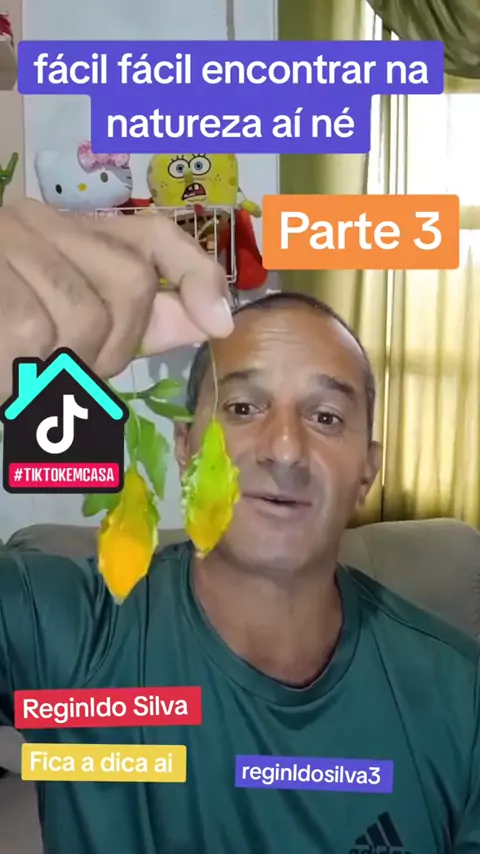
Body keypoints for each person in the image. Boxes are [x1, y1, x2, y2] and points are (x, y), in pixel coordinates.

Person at [0, 199, 478, 854]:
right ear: (186, 448)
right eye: (244, 407)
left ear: (367, 471)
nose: (284, 449)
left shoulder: (460, 699)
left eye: (326, 417)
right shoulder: (61, 626)